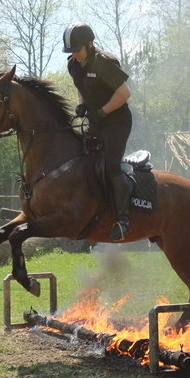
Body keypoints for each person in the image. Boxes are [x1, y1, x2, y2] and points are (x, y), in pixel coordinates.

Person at [63, 22, 134, 241]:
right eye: (71, 51)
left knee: (111, 165)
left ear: (89, 44)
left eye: (77, 49)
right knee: (82, 160)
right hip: (97, 121)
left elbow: (124, 94)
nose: (74, 55)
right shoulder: (73, 65)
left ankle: (123, 220)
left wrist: (101, 113)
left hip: (117, 122)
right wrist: (83, 105)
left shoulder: (104, 63)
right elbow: (82, 89)